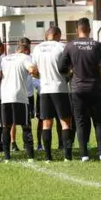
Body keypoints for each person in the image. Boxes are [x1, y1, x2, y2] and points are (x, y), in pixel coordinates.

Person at [58, 18, 101, 162]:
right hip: (95, 88)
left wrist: (72, 73)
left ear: (77, 29)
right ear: (89, 29)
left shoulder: (70, 46)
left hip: (77, 89)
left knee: (80, 121)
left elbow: (61, 67)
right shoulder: (98, 45)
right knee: (99, 121)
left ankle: (84, 155)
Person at [33, 27, 73, 161]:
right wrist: (68, 75)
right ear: (56, 35)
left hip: (44, 90)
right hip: (59, 88)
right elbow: (69, 67)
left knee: (46, 123)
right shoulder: (61, 47)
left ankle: (48, 157)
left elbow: (33, 70)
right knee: (65, 123)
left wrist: (42, 76)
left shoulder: (37, 48)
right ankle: (67, 156)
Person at [0, 41, 38, 161]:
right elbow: (32, 70)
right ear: (26, 50)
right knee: (26, 126)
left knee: (6, 126)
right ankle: (31, 156)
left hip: (4, 97)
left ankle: (6, 157)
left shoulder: (5, 59)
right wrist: (37, 73)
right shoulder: (25, 57)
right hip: (20, 96)